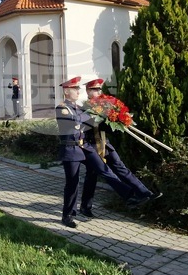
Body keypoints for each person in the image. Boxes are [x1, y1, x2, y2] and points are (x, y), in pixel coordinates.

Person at [55, 76, 145, 228]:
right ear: (67, 91)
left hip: (85, 147)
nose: (78, 91)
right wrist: (94, 111)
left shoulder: (79, 107)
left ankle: (130, 196)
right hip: (71, 149)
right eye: (75, 89)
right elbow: (76, 120)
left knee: (104, 170)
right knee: (72, 183)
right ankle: (68, 215)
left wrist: (113, 116)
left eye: (78, 89)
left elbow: (94, 123)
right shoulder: (62, 108)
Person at [79, 78, 160, 218]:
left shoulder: (104, 104)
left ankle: (144, 192)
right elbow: (92, 125)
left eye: (99, 89)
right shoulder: (85, 108)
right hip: (91, 145)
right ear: (87, 91)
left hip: (105, 143)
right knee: (93, 176)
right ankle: (86, 207)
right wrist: (108, 118)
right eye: (94, 90)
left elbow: (108, 128)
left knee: (121, 168)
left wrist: (119, 119)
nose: (98, 92)